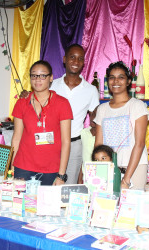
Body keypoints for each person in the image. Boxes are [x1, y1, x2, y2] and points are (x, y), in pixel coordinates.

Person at [11, 60, 73, 185]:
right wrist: (12, 167)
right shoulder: (21, 103)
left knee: (48, 204)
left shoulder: (62, 103)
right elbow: (16, 138)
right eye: (34, 75)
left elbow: (66, 141)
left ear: (51, 78)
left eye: (43, 75)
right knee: (22, 203)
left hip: (51, 169)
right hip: (23, 166)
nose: (38, 79)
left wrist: (61, 175)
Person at [94, 61, 149, 190]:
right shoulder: (102, 109)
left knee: (131, 207)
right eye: (112, 77)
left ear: (129, 81)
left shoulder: (137, 105)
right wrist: (100, 171)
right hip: (108, 169)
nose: (116, 81)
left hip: (134, 169)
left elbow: (139, 143)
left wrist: (126, 178)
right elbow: (98, 145)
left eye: (121, 77)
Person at [51, 44, 100, 184]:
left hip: (74, 145)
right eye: (72, 57)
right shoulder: (51, 85)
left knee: (68, 187)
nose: (76, 62)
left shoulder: (91, 90)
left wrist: (96, 127)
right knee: (48, 185)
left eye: (80, 58)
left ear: (84, 63)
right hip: (51, 143)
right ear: (65, 59)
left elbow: (95, 117)